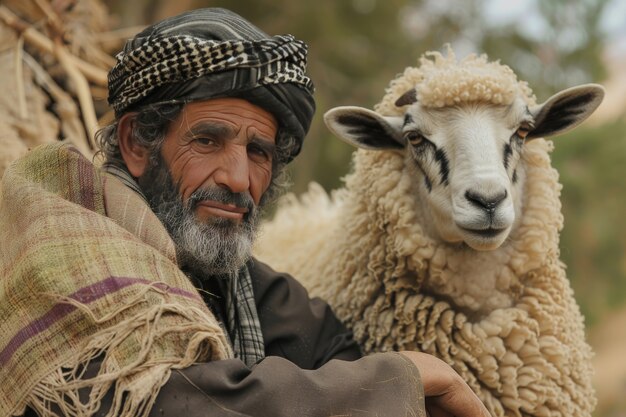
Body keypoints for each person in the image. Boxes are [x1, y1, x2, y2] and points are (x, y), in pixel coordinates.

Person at [0, 8, 489, 417]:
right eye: (208, 140)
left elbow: (331, 352)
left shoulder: (251, 290)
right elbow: (169, 399)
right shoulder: (60, 253)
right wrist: (396, 378)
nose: (237, 178)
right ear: (135, 142)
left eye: (258, 151)